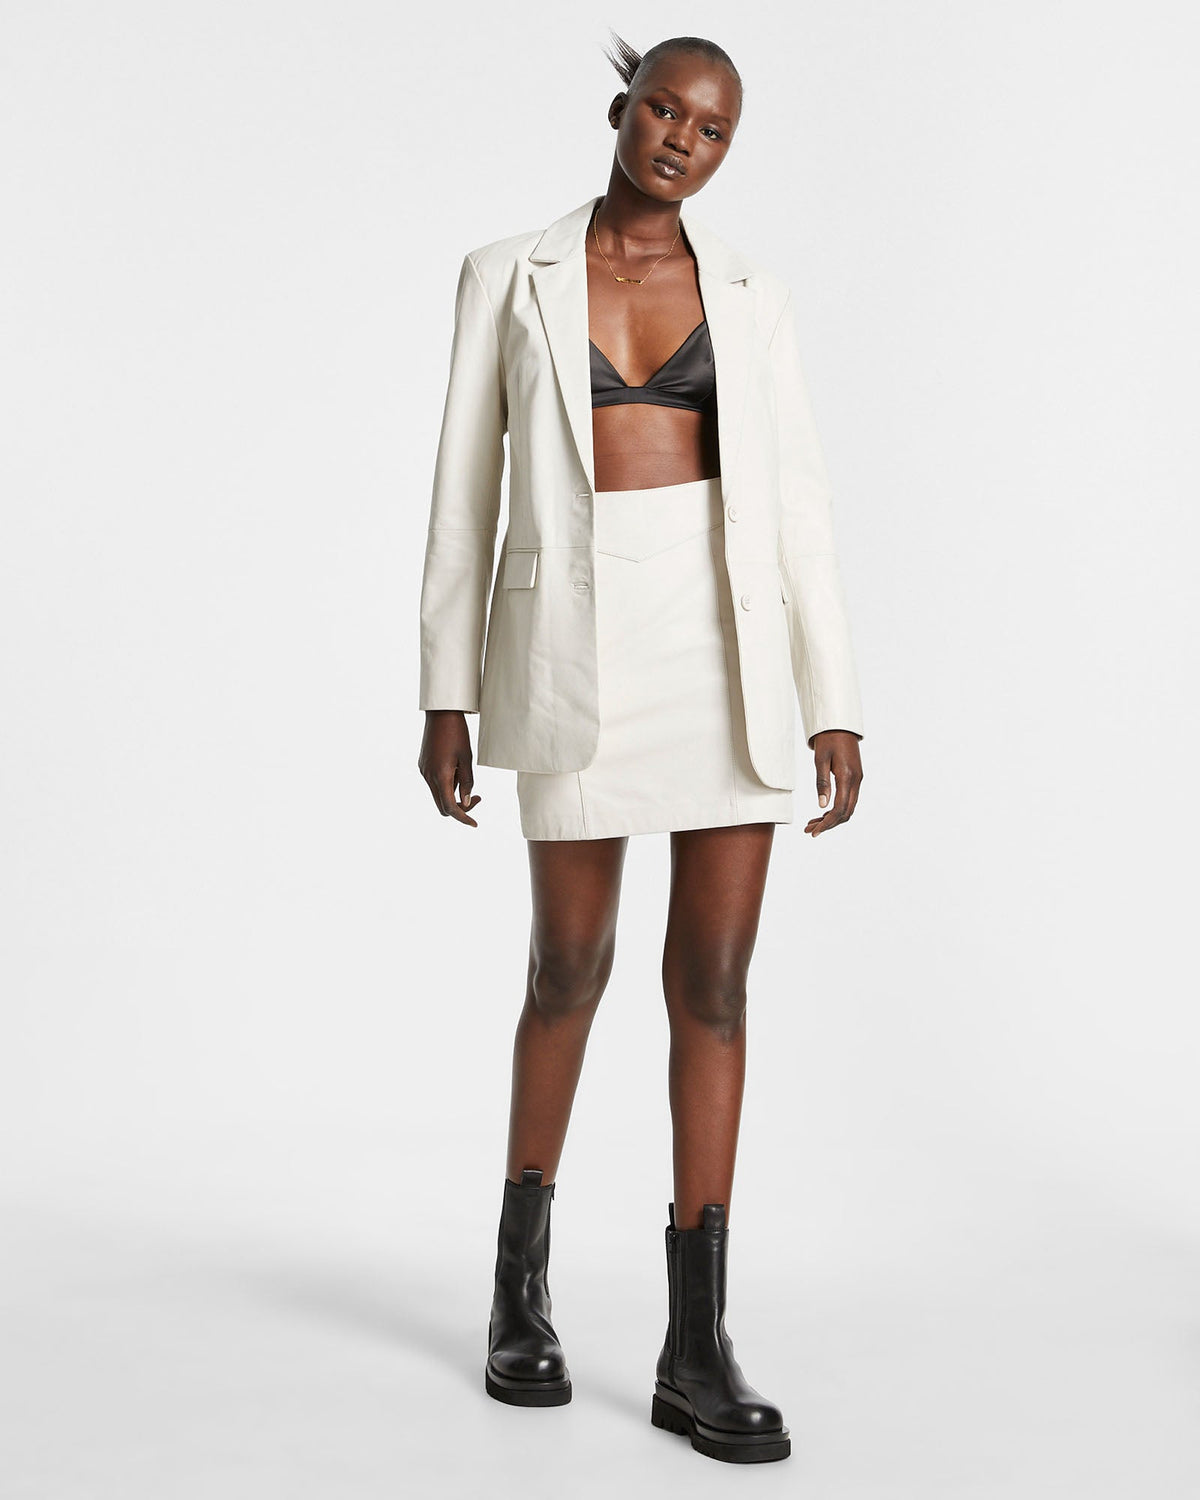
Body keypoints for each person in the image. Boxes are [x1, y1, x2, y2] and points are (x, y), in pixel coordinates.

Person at [417, 30, 864, 1465]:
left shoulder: (752, 295)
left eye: (712, 128)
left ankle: (695, 1341)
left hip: (723, 652)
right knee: (569, 969)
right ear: (622, 111)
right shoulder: (509, 274)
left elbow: (797, 505)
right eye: (665, 109)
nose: (683, 138)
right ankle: (519, 1293)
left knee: (713, 986)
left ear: (728, 150)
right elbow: (465, 492)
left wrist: (833, 696)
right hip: (573, 648)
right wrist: (445, 691)